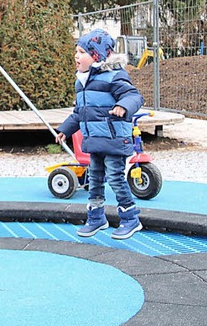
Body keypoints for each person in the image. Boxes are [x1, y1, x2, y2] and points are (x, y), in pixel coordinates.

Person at [55, 29, 145, 240]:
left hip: (114, 139)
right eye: (76, 51)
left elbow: (134, 96)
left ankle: (131, 218)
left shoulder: (114, 76)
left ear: (96, 55)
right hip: (95, 140)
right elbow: (80, 113)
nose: (76, 56)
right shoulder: (82, 83)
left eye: (81, 52)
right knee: (94, 179)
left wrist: (123, 106)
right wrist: (64, 130)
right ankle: (96, 217)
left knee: (115, 177)